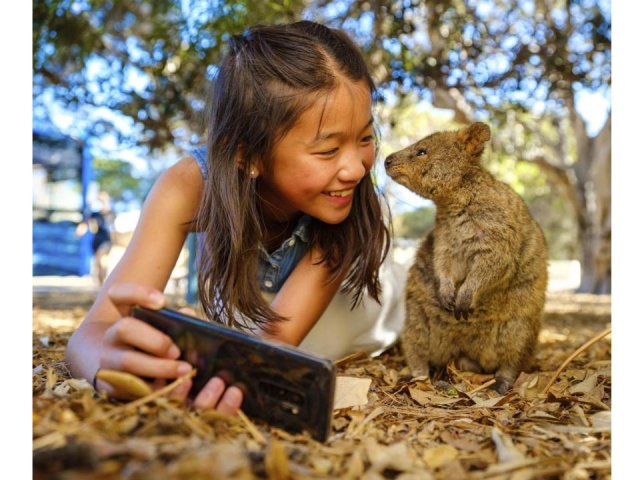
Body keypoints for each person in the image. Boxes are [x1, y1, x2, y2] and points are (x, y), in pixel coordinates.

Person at [65, 20, 406, 415]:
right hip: (259, 305)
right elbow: (88, 335)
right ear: (247, 156)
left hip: (371, 303)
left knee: (313, 345)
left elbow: (276, 340)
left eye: (364, 138)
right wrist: (108, 368)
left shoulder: (347, 201)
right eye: (328, 150)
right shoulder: (186, 186)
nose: (357, 168)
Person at [76, 191, 115, 285]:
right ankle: (101, 283)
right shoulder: (94, 214)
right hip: (97, 240)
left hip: (106, 240)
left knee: (101, 259)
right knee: (98, 263)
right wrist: (80, 231)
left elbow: (113, 229)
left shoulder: (111, 214)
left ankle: (103, 283)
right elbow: (85, 224)